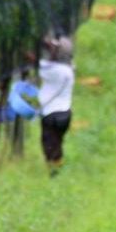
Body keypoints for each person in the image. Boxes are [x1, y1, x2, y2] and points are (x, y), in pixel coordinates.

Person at [38, 36, 75, 177]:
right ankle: (57, 167)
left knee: (48, 143)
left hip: (51, 114)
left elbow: (34, 61)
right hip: (65, 114)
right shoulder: (68, 69)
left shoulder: (52, 70)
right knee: (57, 142)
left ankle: (54, 173)